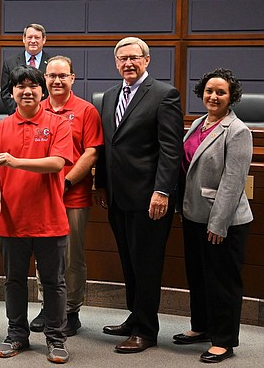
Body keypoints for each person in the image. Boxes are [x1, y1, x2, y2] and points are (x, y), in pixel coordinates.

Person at [95, 36, 183, 353]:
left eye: (134, 57)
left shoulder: (164, 95)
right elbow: (107, 147)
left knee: (146, 265)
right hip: (118, 198)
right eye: (122, 59)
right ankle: (135, 317)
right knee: (130, 263)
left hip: (150, 199)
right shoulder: (107, 96)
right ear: (116, 63)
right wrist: (101, 185)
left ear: (147, 60)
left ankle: (146, 331)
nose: (128, 63)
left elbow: (171, 152)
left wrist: (162, 191)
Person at [0, 65, 73, 363]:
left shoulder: (58, 124)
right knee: (14, 281)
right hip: (11, 220)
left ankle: (56, 338)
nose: (27, 91)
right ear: (11, 93)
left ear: (41, 91)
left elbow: (57, 163)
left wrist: (16, 161)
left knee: (54, 282)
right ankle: (16, 335)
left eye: (33, 86)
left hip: (50, 219)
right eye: (20, 86)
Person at [173, 68, 252, 363]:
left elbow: (233, 182)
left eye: (220, 92)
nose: (213, 96)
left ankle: (224, 339)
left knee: (222, 281)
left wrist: (218, 223)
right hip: (194, 215)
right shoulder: (197, 124)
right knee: (199, 276)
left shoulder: (237, 131)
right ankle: (202, 327)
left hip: (223, 221)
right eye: (209, 91)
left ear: (231, 97)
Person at [31, 56, 103, 336]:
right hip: (41, 196)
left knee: (71, 256)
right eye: (51, 76)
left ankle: (71, 310)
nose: (56, 81)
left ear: (73, 78)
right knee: (43, 255)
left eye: (62, 76)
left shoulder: (86, 111)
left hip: (72, 195)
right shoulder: (36, 109)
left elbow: (92, 152)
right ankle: (47, 305)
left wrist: (68, 182)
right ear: (44, 79)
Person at [0, 23, 50, 114]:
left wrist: (40, 113)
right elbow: (6, 93)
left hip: (45, 115)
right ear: (24, 39)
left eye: (37, 38)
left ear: (44, 40)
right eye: (30, 37)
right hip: (17, 115)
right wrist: (20, 112)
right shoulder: (10, 63)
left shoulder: (52, 63)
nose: (33, 41)